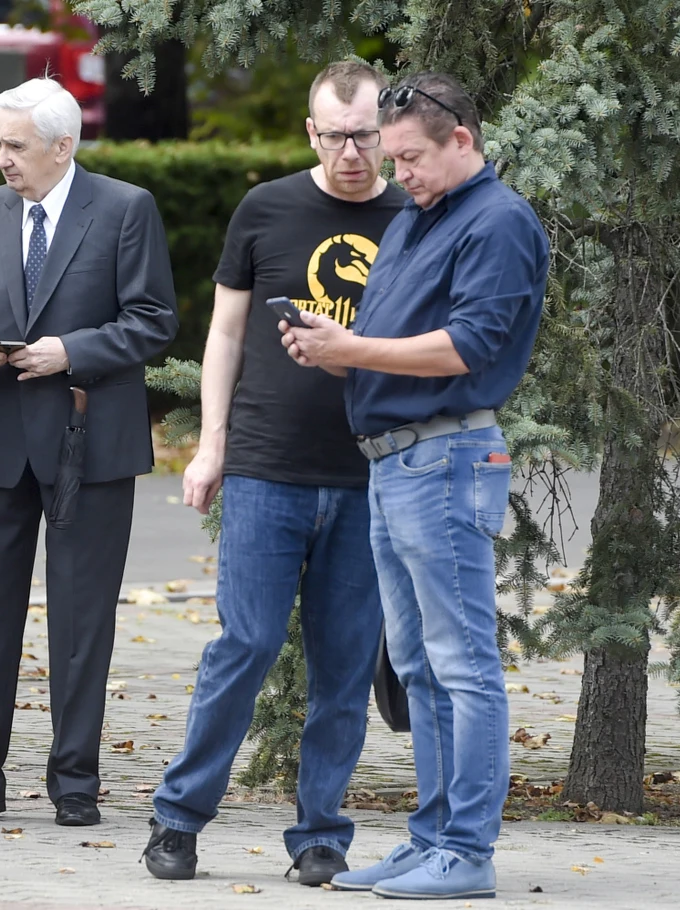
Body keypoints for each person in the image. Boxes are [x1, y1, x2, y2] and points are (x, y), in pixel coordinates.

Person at [279, 72, 549, 899]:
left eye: (411, 158)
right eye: (392, 159)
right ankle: (432, 840)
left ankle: (467, 853)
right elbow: (394, 332)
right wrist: (333, 341)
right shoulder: (420, 216)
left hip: (447, 459)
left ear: (462, 138)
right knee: (422, 669)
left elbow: (466, 348)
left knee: (463, 666)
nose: (398, 174)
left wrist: (350, 353)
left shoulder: (498, 221)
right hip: (395, 462)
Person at [141, 61, 408, 887]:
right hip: (265, 466)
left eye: (366, 135)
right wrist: (212, 444)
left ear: (387, 133)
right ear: (310, 132)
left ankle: (321, 834)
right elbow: (224, 337)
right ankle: (178, 818)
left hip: (368, 475)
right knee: (245, 643)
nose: (352, 152)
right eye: (336, 136)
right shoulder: (267, 209)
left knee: (343, 664)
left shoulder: (415, 216)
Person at [0, 77, 178, 827]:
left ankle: (74, 778)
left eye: (15, 145)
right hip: (5, 440)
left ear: (61, 145)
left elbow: (153, 319)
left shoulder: (124, 207)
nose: (1, 158)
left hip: (90, 441)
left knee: (82, 623)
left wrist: (69, 350)